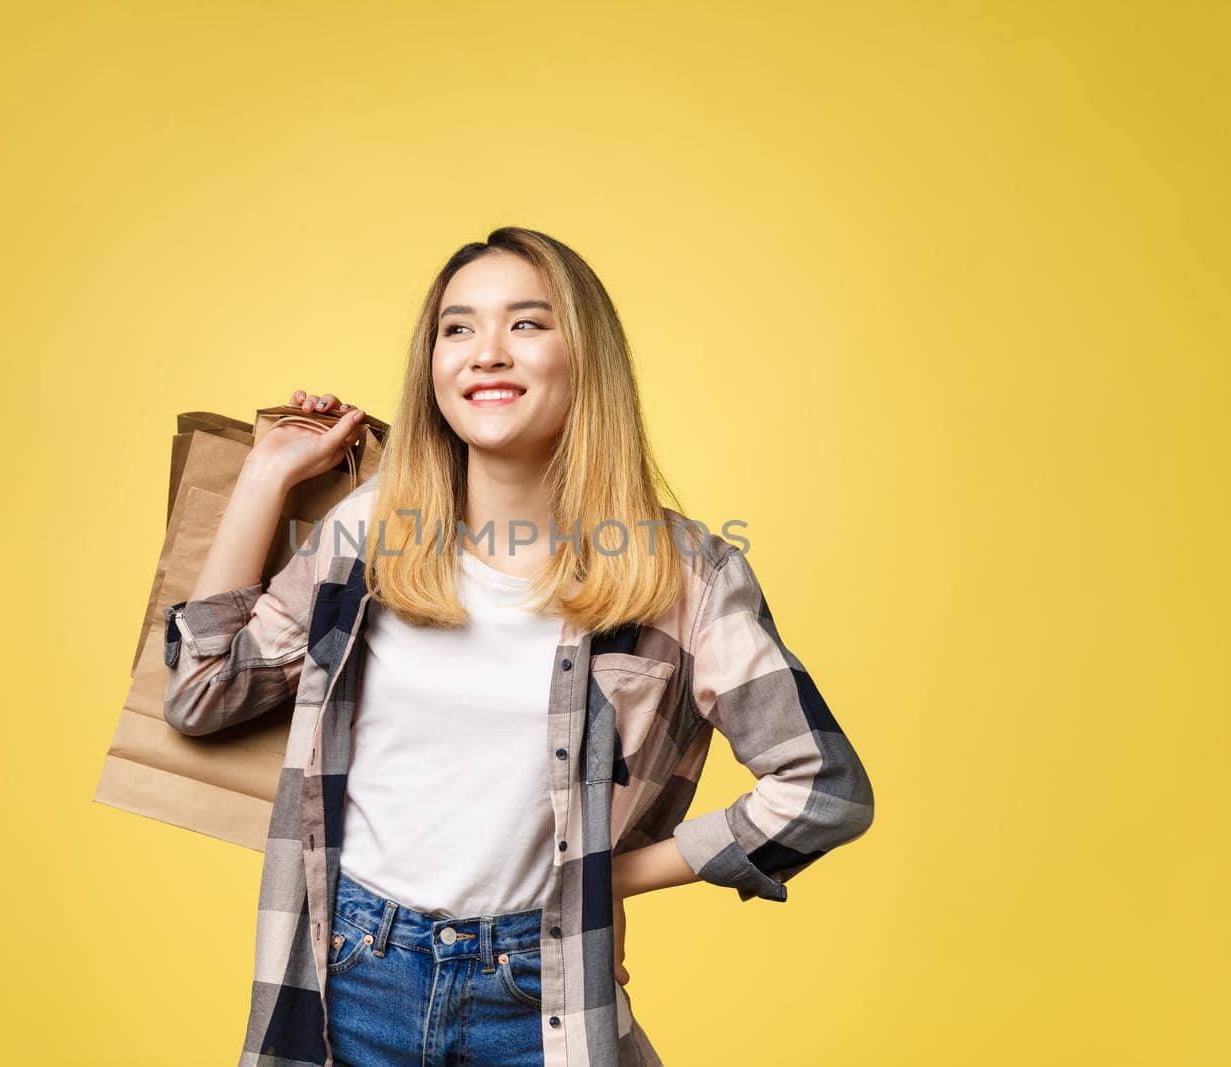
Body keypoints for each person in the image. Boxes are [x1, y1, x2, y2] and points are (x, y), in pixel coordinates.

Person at [160, 226, 876, 1067]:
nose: (486, 352)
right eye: (458, 328)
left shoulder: (684, 573)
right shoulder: (370, 530)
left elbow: (823, 787)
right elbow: (200, 691)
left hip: (540, 995)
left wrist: (606, 879)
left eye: (527, 324)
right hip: (349, 975)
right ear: (432, 367)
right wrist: (267, 474)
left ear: (586, 360)